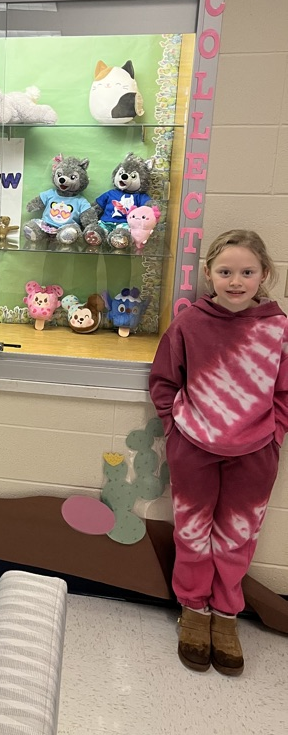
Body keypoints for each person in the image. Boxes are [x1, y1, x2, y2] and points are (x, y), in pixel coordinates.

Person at [149, 229, 287, 676]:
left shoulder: (277, 329)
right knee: (192, 533)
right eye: (225, 271)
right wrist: (176, 431)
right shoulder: (189, 322)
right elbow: (164, 381)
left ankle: (226, 615)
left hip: (256, 454)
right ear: (208, 273)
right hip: (193, 449)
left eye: (247, 272)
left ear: (264, 274)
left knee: (237, 537)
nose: (236, 280)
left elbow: (283, 393)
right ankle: (193, 611)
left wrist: (274, 434)